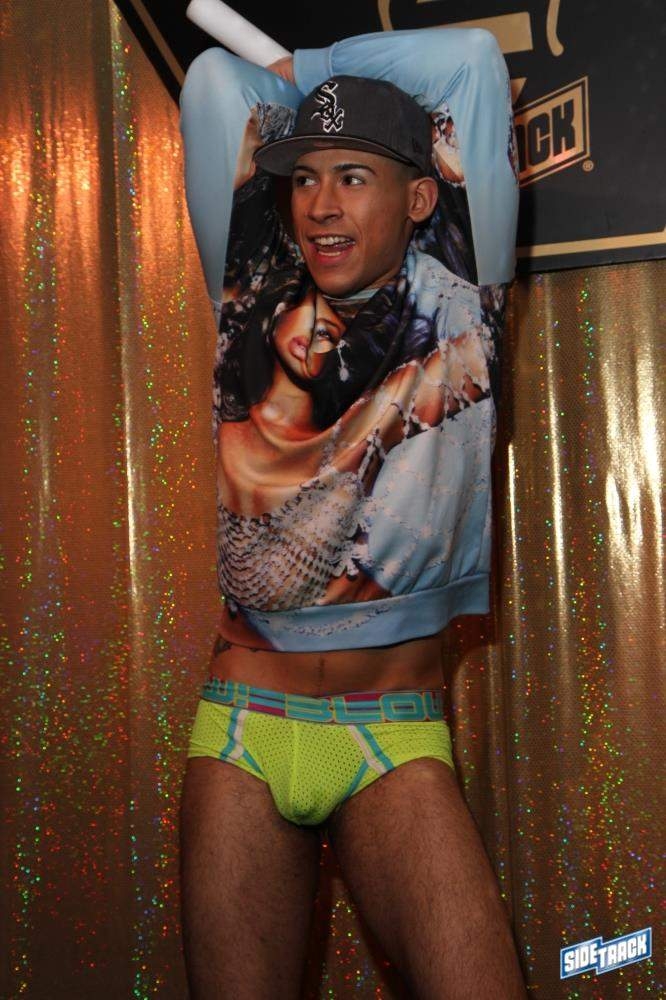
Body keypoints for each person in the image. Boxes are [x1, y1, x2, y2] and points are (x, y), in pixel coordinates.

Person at [178, 25, 525, 1000]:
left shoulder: (468, 296)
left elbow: (472, 62)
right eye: (304, 178)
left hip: (392, 730)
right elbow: (211, 82)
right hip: (244, 727)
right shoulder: (251, 286)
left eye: (354, 177)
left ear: (420, 198)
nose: (320, 204)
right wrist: (325, 104)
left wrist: (307, 74)